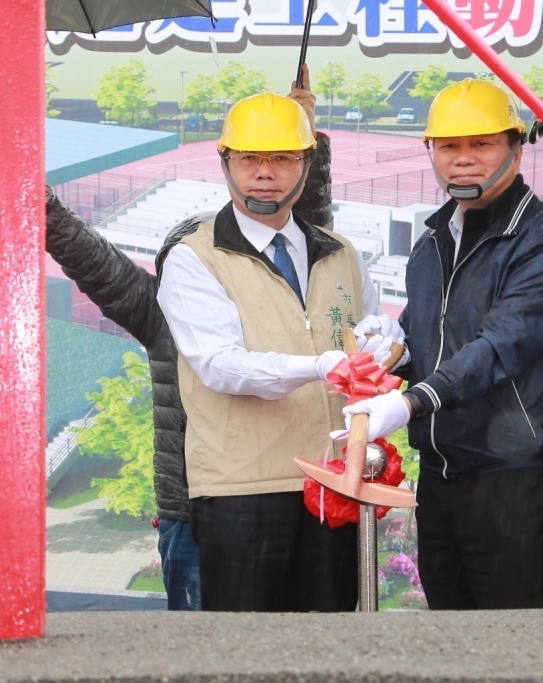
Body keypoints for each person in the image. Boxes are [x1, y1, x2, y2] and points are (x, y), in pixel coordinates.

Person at [44, 75, 333, 611]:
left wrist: (302, 140)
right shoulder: (158, 312)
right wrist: (38, 202)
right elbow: (86, 255)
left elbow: (302, 236)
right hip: (192, 512)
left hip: (286, 495)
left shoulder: (267, 302)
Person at [342, 78, 543, 610]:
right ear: (430, 151)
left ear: (516, 148)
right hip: (443, 476)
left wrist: (409, 401)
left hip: (522, 477)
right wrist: (396, 348)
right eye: (449, 146)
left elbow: (499, 346)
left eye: (482, 144)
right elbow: (431, 333)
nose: (464, 160)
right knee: (452, 640)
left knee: (523, 649)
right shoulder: (432, 241)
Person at [156, 91, 396, 612]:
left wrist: (382, 342)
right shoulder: (194, 258)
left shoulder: (340, 253)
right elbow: (219, 365)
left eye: (283, 158)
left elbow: (372, 333)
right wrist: (318, 366)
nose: (266, 173)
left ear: (307, 165)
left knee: (329, 643)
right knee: (248, 652)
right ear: (225, 163)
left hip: (335, 479)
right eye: (249, 159)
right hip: (243, 488)